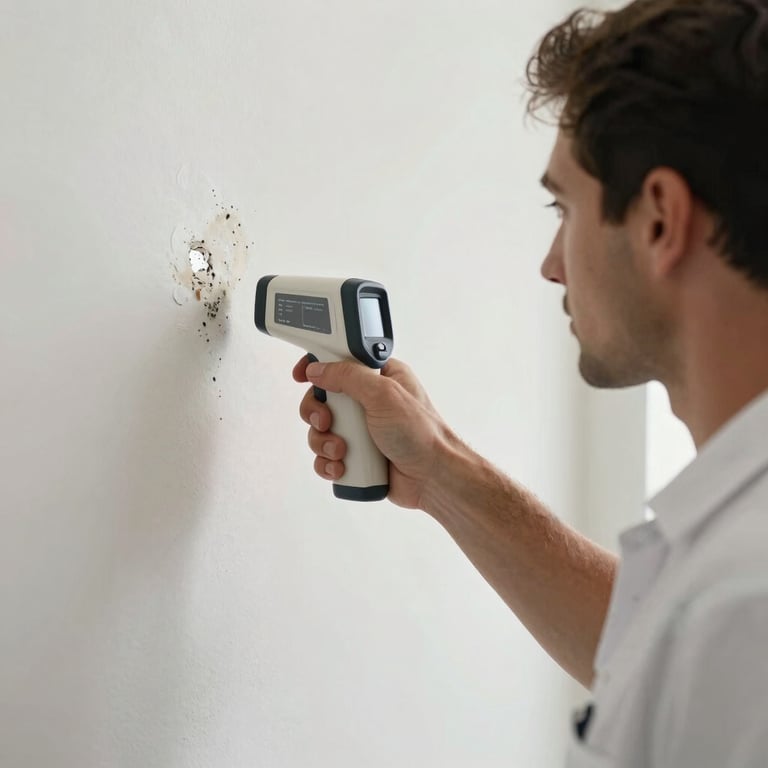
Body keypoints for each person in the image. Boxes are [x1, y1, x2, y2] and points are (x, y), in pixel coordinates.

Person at [293, 1, 768, 764]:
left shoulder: (742, 606)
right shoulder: (728, 583)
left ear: (658, 221)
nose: (552, 263)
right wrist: (441, 470)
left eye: (564, 207)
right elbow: (654, 647)